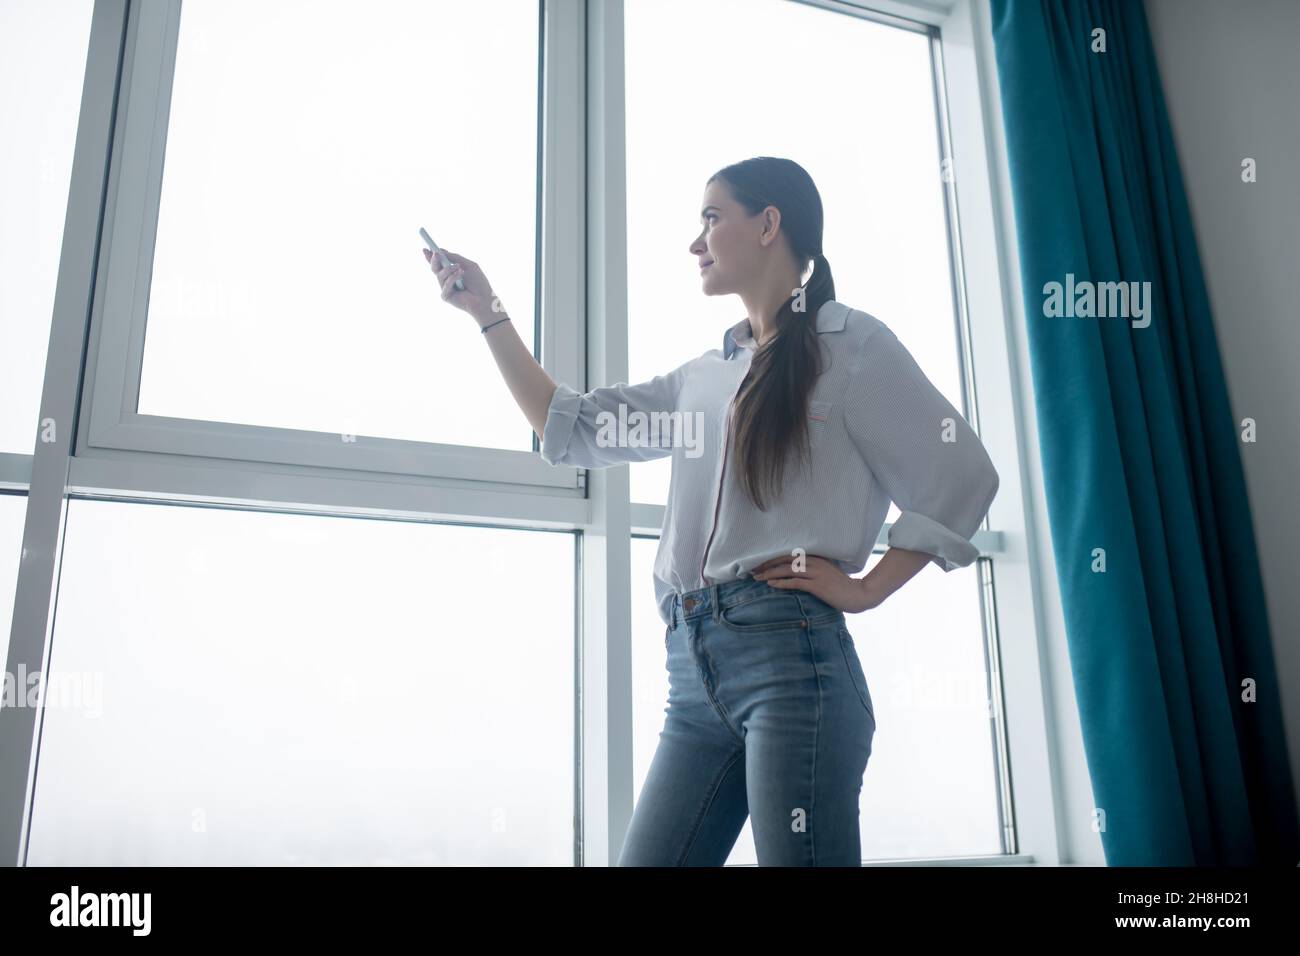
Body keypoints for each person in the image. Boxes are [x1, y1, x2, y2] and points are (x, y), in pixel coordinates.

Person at [424, 156, 999, 866]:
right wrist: (488, 310)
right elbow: (566, 424)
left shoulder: (852, 347)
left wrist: (867, 587)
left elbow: (961, 473)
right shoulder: (704, 377)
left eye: (710, 218)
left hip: (793, 667)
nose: (695, 242)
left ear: (768, 225)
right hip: (692, 676)